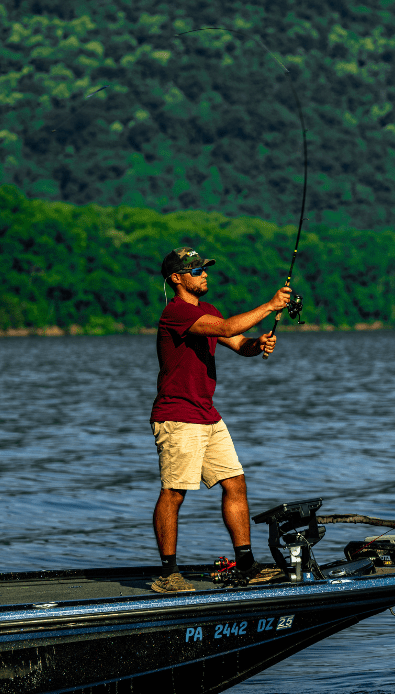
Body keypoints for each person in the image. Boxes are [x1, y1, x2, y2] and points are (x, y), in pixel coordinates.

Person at [149, 246, 293, 593]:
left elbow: (237, 339)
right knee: (175, 492)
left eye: (204, 268)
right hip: (178, 415)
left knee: (235, 482)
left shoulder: (207, 311)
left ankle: (245, 564)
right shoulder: (176, 313)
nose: (204, 274)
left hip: (207, 415)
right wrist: (270, 306)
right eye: (196, 270)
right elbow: (228, 325)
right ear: (177, 279)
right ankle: (168, 574)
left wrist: (257, 344)